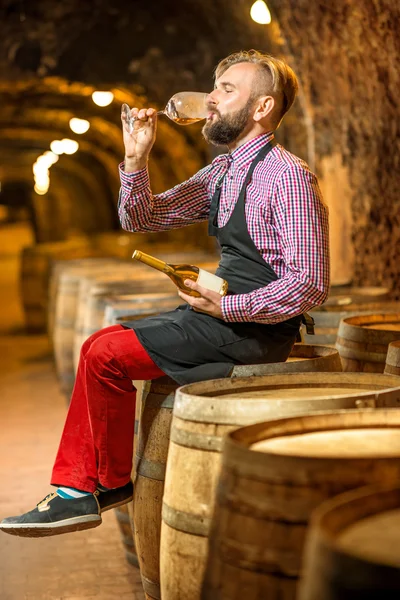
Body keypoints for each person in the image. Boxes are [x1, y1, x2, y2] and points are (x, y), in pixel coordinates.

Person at [0, 50, 329, 537]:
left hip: (252, 331)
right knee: (98, 346)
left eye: (227, 91)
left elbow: (311, 283)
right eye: (213, 89)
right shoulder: (225, 171)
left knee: (107, 352)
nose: (211, 100)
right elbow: (145, 218)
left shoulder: (288, 177)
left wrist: (229, 305)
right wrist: (136, 157)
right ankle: (99, 486)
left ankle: (84, 490)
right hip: (220, 320)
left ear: (262, 108)